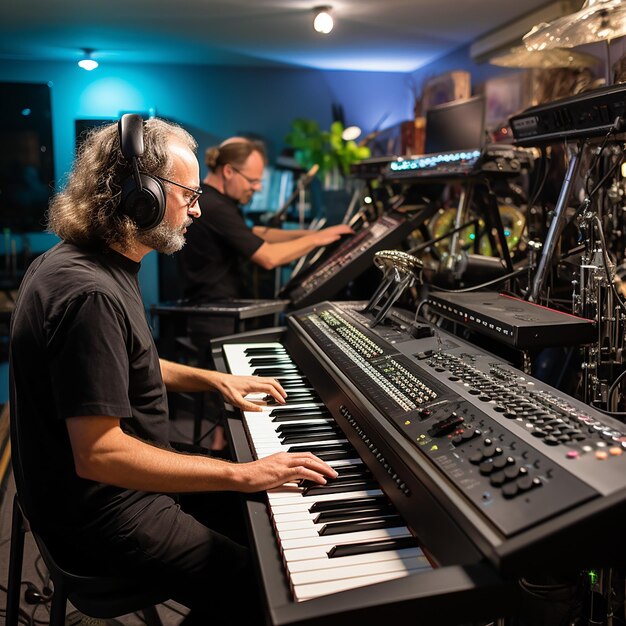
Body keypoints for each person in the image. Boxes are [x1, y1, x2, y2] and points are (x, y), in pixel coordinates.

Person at [9, 116, 337, 625]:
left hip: (87, 496)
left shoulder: (82, 261)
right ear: (141, 198)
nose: (198, 211)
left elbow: (120, 360)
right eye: (190, 195)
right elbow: (100, 453)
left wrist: (213, 379)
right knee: (275, 593)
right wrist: (240, 472)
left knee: (270, 521)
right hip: (103, 512)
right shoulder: (90, 291)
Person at [179, 137, 354, 339]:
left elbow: (252, 233)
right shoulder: (215, 207)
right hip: (215, 318)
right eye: (253, 181)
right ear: (228, 171)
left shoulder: (216, 200)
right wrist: (317, 240)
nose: (258, 188)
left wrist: (311, 233)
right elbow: (269, 257)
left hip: (219, 313)